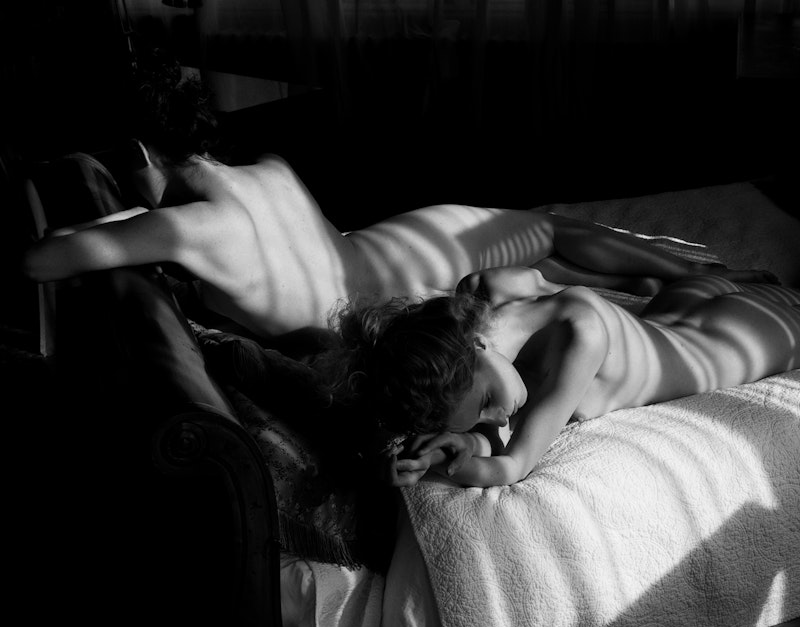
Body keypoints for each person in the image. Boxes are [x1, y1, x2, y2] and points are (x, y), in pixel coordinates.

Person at [22, 50, 777, 343]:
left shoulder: (186, 229)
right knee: (549, 234)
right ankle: (711, 274)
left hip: (402, 290)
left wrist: (125, 214)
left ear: (144, 153)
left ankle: (693, 280)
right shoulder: (270, 170)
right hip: (405, 250)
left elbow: (41, 261)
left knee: (549, 250)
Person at [326, 267, 800, 488]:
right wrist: (453, 445)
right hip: (678, 300)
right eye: (481, 417)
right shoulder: (487, 292)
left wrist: (456, 465)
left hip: (736, 339)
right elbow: (498, 428)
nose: (498, 416)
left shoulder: (580, 336)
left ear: (475, 346)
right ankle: (730, 275)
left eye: (488, 401)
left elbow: (514, 463)